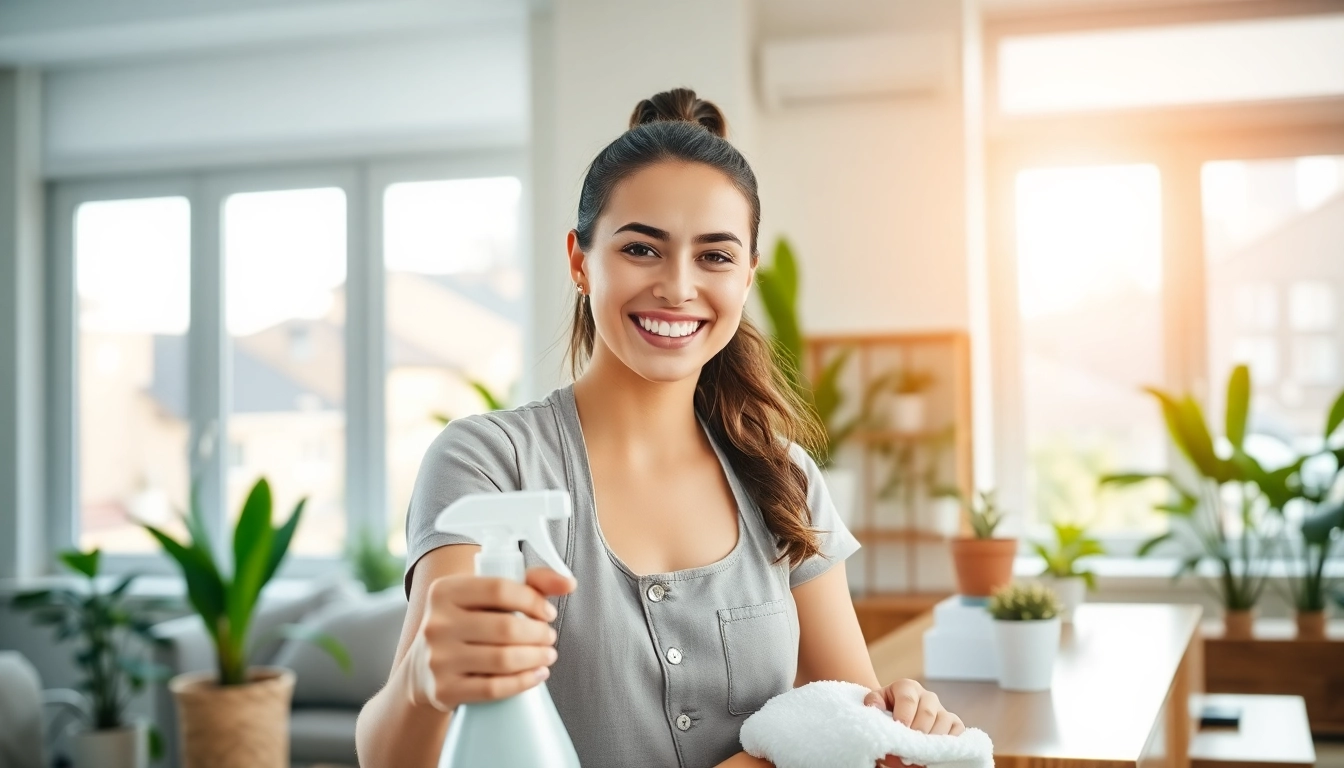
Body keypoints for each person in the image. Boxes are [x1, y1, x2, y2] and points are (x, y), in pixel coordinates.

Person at [355, 87, 965, 768]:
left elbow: (846, 726)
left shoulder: (785, 480)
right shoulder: (488, 464)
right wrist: (419, 684)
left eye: (714, 256)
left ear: (747, 277)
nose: (678, 287)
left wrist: (897, 716)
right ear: (581, 262)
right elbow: (388, 758)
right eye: (643, 249)